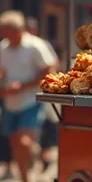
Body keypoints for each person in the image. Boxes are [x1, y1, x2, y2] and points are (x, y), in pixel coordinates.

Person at [0, 11, 56, 182]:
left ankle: (38, 158)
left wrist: (21, 86)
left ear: (18, 30)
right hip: (10, 102)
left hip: (30, 100)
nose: (4, 37)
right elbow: (2, 70)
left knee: (23, 142)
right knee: (15, 144)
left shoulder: (35, 46)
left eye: (7, 32)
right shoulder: (4, 47)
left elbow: (48, 71)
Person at [26, 17, 60, 171]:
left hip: (39, 95)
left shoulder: (40, 45)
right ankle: (39, 159)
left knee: (41, 132)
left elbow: (52, 64)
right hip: (24, 97)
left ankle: (42, 158)